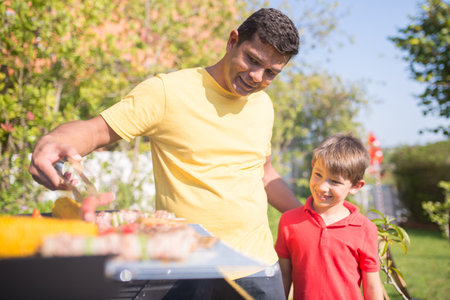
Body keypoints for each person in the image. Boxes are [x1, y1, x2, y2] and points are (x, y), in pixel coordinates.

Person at [29, 8, 301, 299]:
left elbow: (263, 170)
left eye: (271, 72)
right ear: (232, 41)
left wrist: (309, 216)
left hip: (259, 267)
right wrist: (55, 140)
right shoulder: (167, 92)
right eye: (252, 59)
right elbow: (95, 131)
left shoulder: (263, 106)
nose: (257, 77)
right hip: (190, 268)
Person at [275, 133, 384, 300]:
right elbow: (283, 276)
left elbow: (372, 287)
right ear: (312, 166)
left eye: (335, 181)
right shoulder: (289, 222)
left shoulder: (365, 229)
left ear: (355, 186)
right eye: (318, 174)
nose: (322, 186)